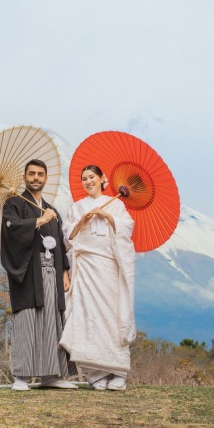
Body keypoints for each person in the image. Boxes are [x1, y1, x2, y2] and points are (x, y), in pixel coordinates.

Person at [0, 159, 77, 391]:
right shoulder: (13, 204)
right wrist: (37, 221)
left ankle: (51, 375)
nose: (36, 178)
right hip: (28, 272)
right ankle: (21, 377)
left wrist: (64, 270)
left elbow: (60, 245)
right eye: (31, 174)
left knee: (52, 322)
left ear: (45, 179)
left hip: (52, 273)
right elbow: (10, 231)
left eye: (40, 174)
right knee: (27, 321)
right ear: (24, 177)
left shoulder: (52, 210)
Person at [59, 165, 136, 391]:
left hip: (108, 269)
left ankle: (119, 372)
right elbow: (67, 235)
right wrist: (82, 222)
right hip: (85, 269)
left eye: (92, 177)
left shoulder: (116, 204)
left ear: (102, 179)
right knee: (86, 316)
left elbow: (127, 228)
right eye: (84, 179)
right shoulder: (77, 207)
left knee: (112, 315)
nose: (88, 181)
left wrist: (108, 216)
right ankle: (94, 372)